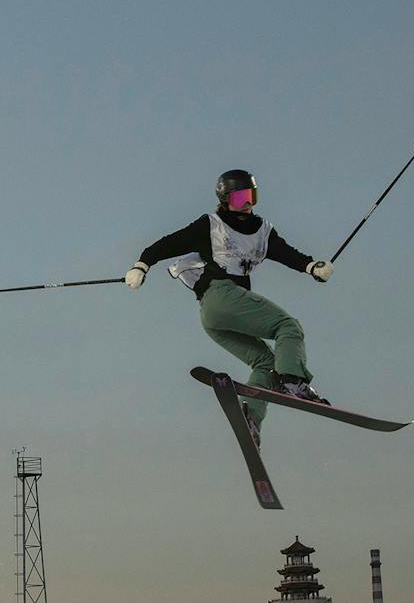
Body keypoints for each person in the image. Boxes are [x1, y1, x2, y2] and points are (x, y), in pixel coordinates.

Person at [125, 170, 332, 445]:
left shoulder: (262, 230)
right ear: (224, 199)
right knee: (288, 327)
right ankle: (294, 380)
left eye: (251, 197)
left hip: (215, 317)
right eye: (239, 198)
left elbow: (285, 253)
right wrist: (141, 264)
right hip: (221, 295)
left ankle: (252, 421)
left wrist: (311, 267)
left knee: (266, 364)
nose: (247, 204)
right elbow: (168, 243)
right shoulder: (211, 225)